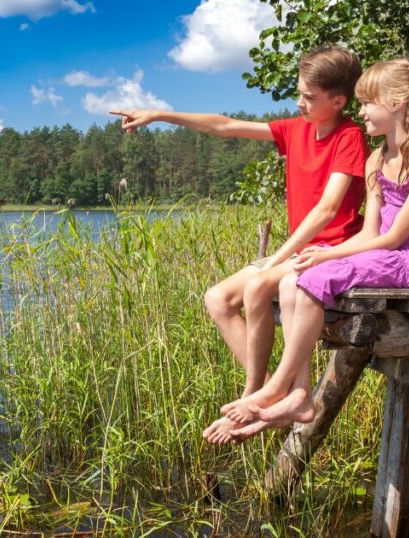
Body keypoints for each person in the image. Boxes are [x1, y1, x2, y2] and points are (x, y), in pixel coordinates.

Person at [110, 46, 369, 443]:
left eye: (309, 97)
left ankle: (261, 396)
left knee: (258, 285)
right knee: (217, 299)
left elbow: (327, 209)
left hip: (330, 249)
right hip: (298, 251)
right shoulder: (296, 129)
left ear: (338, 101)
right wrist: (159, 114)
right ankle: (269, 392)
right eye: (298, 93)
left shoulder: (349, 136)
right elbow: (225, 125)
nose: (300, 103)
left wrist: (277, 258)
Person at [221, 57, 409, 443]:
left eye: (367, 103)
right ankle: (298, 396)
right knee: (294, 279)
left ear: (396, 102)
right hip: (384, 252)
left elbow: (396, 238)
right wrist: (317, 254)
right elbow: (369, 233)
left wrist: (329, 255)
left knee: (319, 274)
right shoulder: (378, 159)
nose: (360, 111)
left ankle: (276, 388)